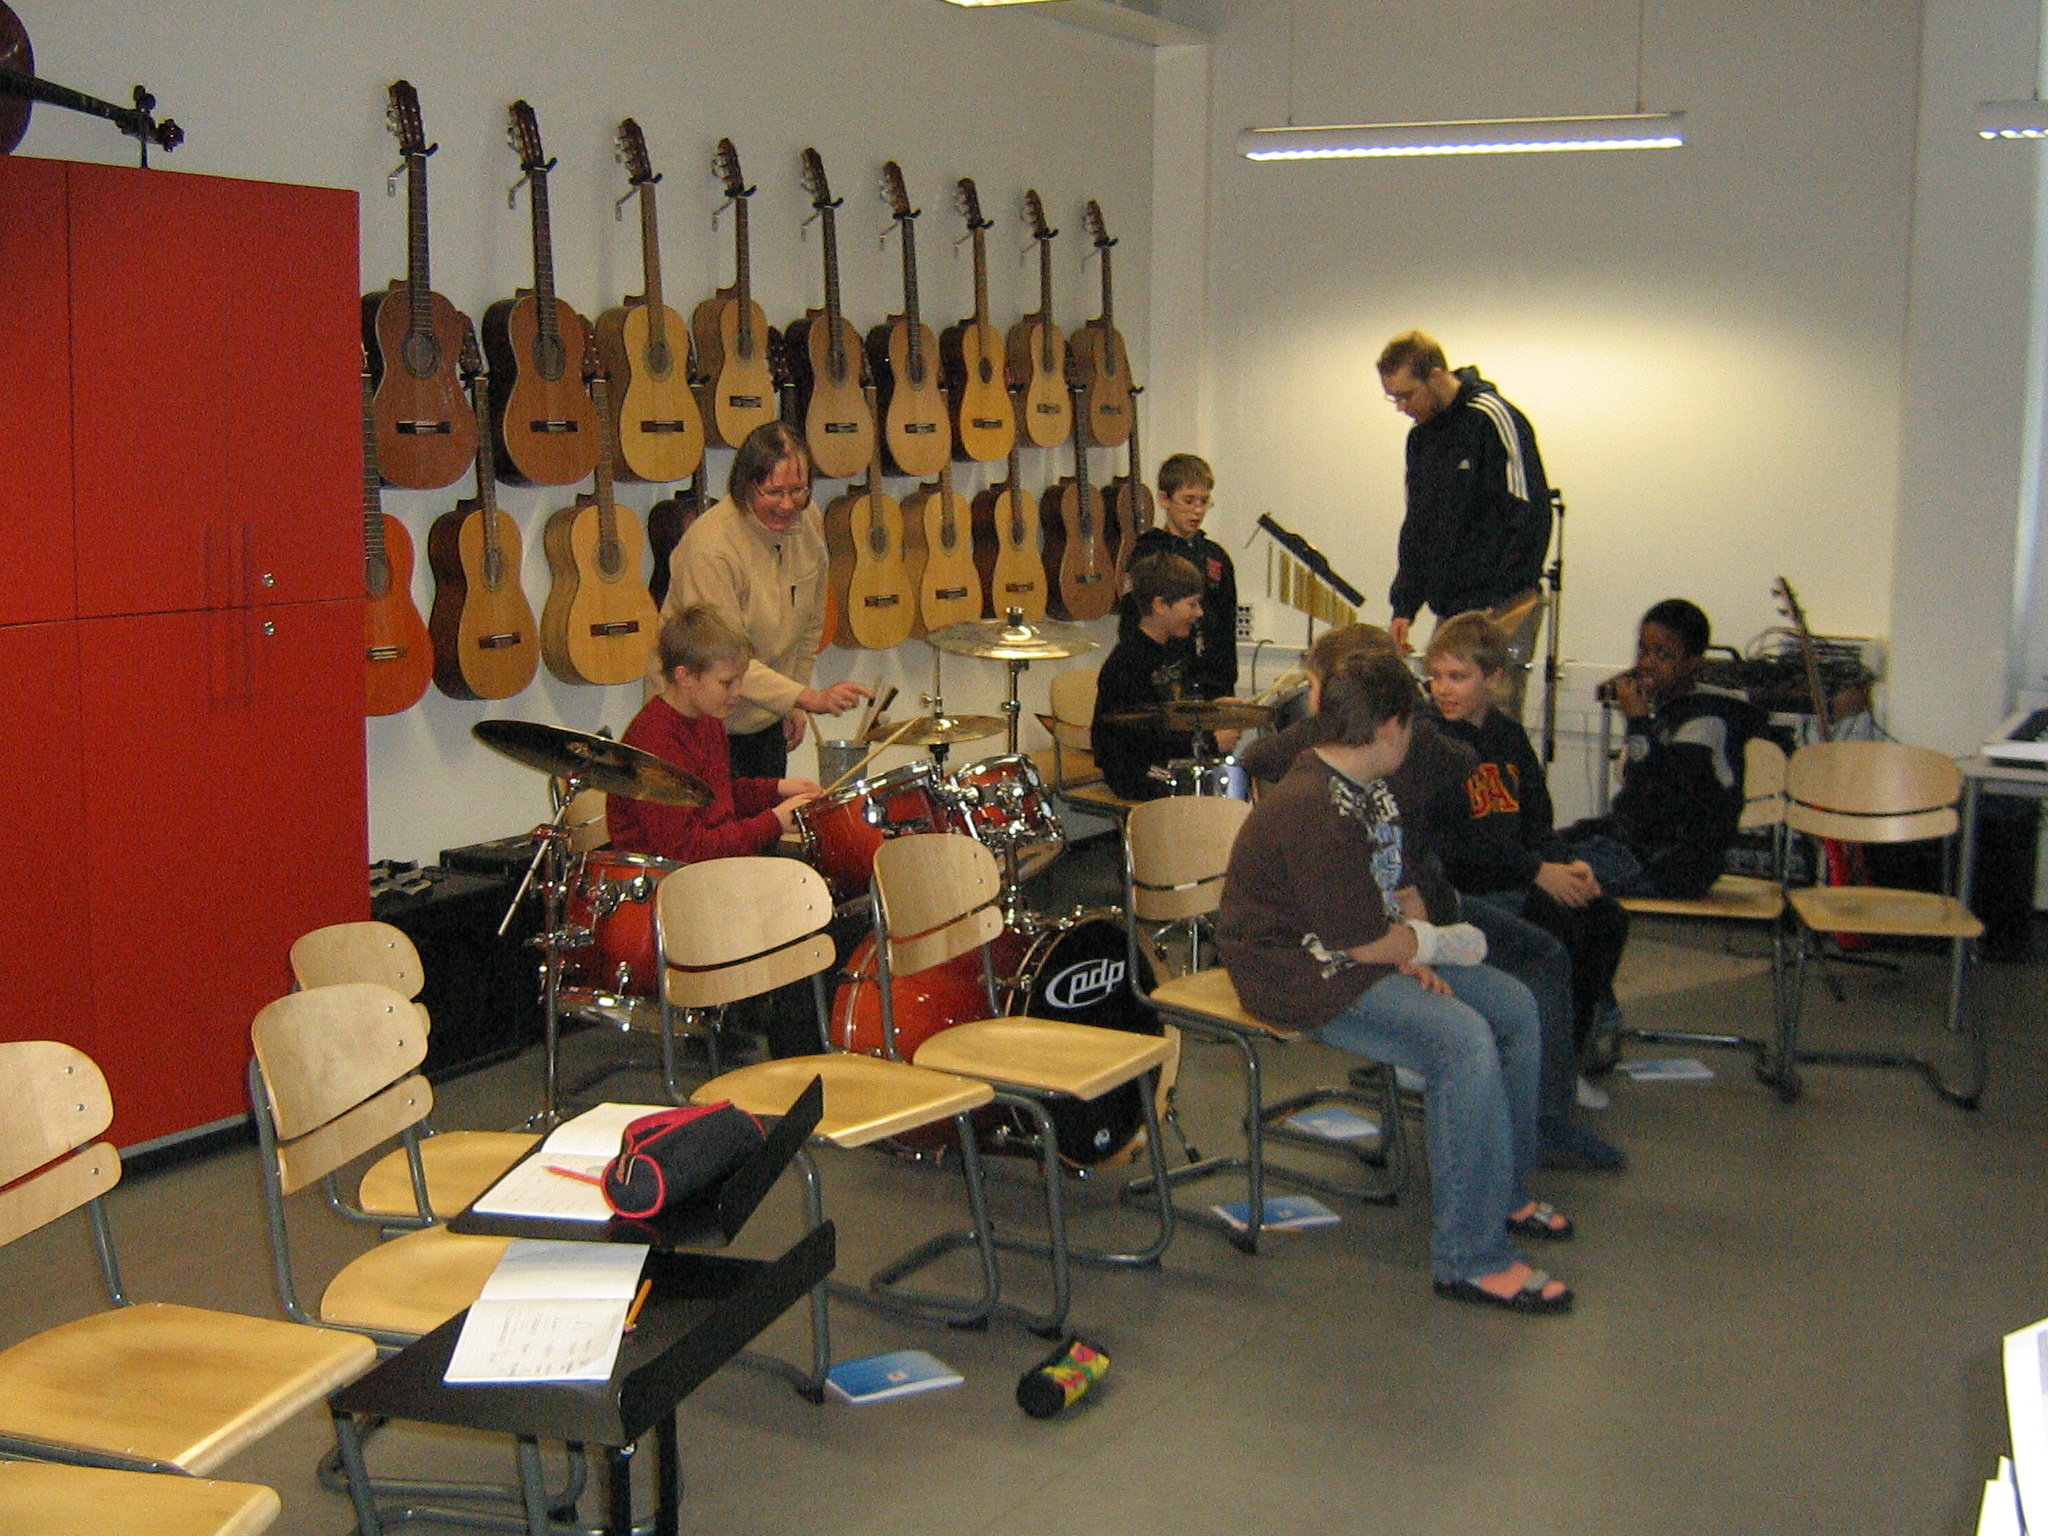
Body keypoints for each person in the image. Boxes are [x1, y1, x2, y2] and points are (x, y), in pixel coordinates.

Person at [1218, 652, 1575, 1313]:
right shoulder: (1314, 806)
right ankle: (1471, 1259)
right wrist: (1426, 946)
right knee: (1460, 1041)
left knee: (1514, 1006)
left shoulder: (1370, 786)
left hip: (1356, 946)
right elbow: (1358, 943)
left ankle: (1502, 1196)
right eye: (1412, 723)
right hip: (1297, 972)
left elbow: (1398, 884)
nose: (1416, 735)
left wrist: (1417, 946)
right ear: (1388, 728)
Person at [1243, 624, 1623, 1171]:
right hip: (1416, 903)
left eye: (1319, 687)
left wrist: (1551, 862)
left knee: (1583, 931)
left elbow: (1478, 830)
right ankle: (1540, 1103)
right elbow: (1389, 888)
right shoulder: (1339, 778)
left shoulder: (1413, 745)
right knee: (1540, 959)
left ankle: (1547, 1090)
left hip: (1424, 897)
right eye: (1435, 676)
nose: (1315, 700)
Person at [1426, 612, 1631, 1160]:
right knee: (1553, 937)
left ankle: (1562, 1060)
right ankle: (1545, 1104)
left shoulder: (1508, 736)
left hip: (1515, 874)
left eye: (1457, 677)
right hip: (1465, 887)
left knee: (1605, 919)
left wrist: (1566, 864)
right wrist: (1536, 872)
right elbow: (1453, 842)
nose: (1443, 689)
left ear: (1493, 678)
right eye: (1436, 676)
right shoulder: (1428, 739)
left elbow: (1536, 821)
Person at [665, 421, 870, 781]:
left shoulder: (808, 521)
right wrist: (806, 697)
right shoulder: (710, 548)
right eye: (773, 492)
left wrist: (791, 703)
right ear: (745, 485)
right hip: (699, 724)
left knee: (767, 815)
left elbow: (810, 625)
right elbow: (720, 658)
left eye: (798, 490)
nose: (788, 505)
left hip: (763, 720)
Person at [1378, 330, 1552, 715]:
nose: (1402, 407)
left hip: (1503, 604)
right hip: (1453, 605)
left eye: (1407, 395)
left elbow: (1531, 511)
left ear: (1436, 376)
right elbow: (1418, 526)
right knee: (1446, 714)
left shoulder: (1491, 417)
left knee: (1493, 715)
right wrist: (1405, 604)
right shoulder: (1421, 439)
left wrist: (1502, 596)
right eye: (1394, 398)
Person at [1559, 599, 1768, 900]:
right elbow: (1635, 800)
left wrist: (1638, 722)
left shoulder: (1706, 722)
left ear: (1692, 662)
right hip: (1640, 849)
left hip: (1672, 865)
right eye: (1643, 651)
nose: (1647, 663)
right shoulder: (1670, 711)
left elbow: (1661, 802)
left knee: (1543, 870)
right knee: (1539, 851)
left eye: (1663, 654)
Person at [608, 605, 822, 864]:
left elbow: (718, 799)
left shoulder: (708, 719)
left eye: (741, 680)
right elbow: (685, 850)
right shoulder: (657, 740)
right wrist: (773, 822)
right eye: (727, 683)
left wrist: (777, 789)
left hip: (705, 866)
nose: (738, 692)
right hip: (667, 877)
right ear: (684, 676)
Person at [1092, 551, 1238, 800]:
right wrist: (1210, 743)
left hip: (1168, 757)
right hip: (1134, 769)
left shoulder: (1177, 648)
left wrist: (1212, 710)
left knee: (1230, 780)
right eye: (1192, 604)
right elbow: (1142, 739)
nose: (1200, 613)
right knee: (1205, 791)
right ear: (1160, 605)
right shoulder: (1127, 663)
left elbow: (1178, 709)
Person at [1126, 453, 1238, 697]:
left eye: (1204, 502)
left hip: (1210, 681)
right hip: (1163, 679)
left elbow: (1226, 629)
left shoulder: (1216, 556)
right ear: (1164, 499)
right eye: (1188, 501)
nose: (1197, 510)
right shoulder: (1147, 553)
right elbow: (1134, 624)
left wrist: (1226, 688)